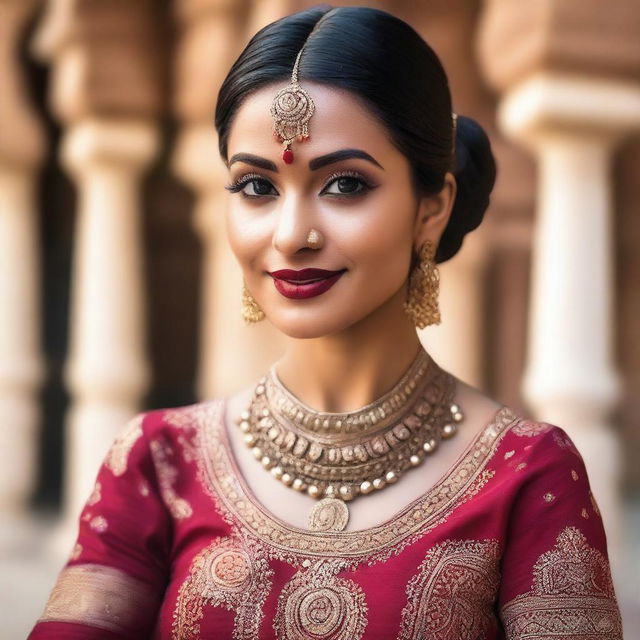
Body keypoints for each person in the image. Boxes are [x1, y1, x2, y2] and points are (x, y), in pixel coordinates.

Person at [29, 5, 623, 639]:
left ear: (432, 208)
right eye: (257, 187)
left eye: (344, 185)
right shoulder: (157, 462)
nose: (291, 236)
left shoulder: (526, 475)